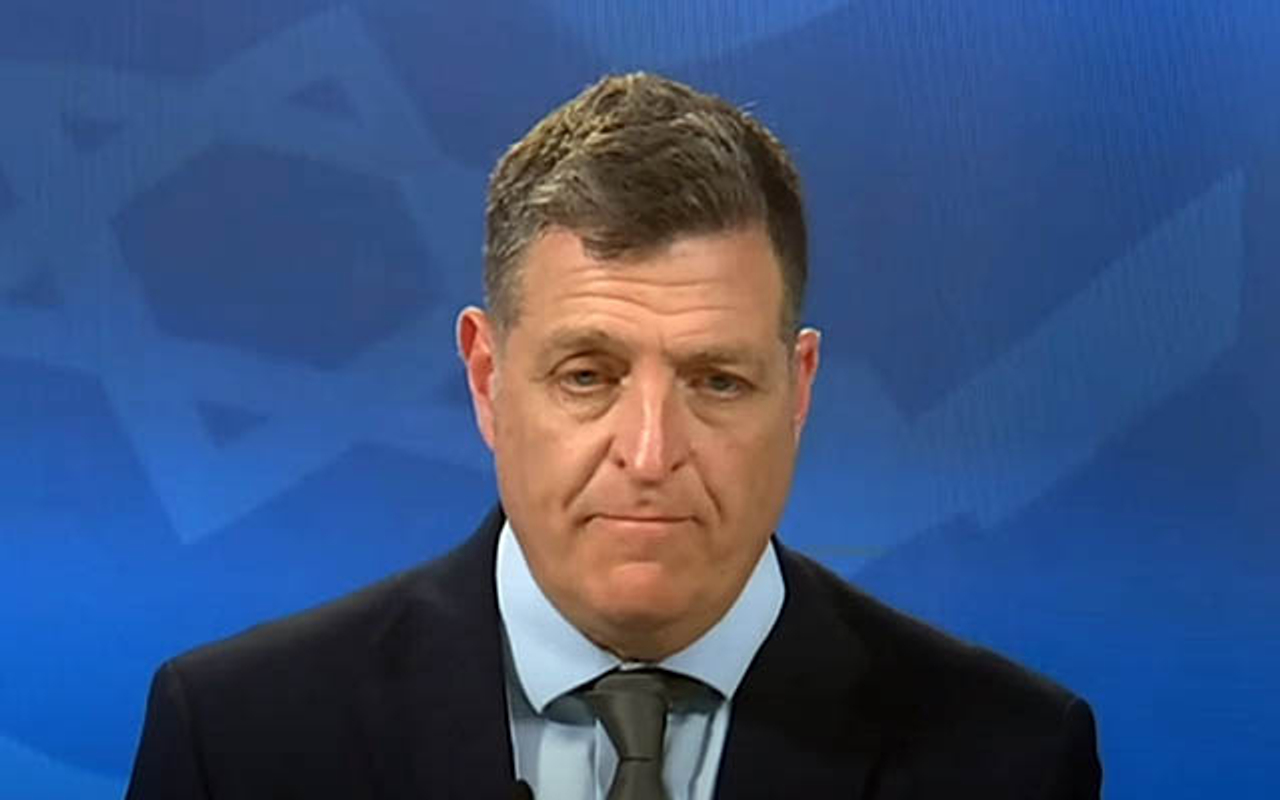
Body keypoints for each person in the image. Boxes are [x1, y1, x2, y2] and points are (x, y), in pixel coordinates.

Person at [126, 72, 1102, 799]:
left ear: (797, 389)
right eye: (587, 376)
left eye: (717, 381)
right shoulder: (239, 742)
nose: (649, 451)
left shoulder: (1008, 757)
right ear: (486, 378)